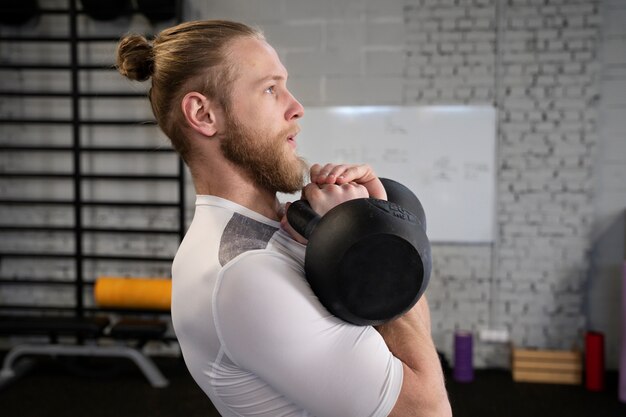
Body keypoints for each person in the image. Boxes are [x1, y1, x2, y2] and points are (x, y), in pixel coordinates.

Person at [116, 20, 451, 417]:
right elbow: (427, 411)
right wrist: (381, 251)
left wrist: (371, 227)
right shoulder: (242, 273)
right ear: (204, 114)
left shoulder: (279, 233)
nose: (296, 107)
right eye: (270, 89)